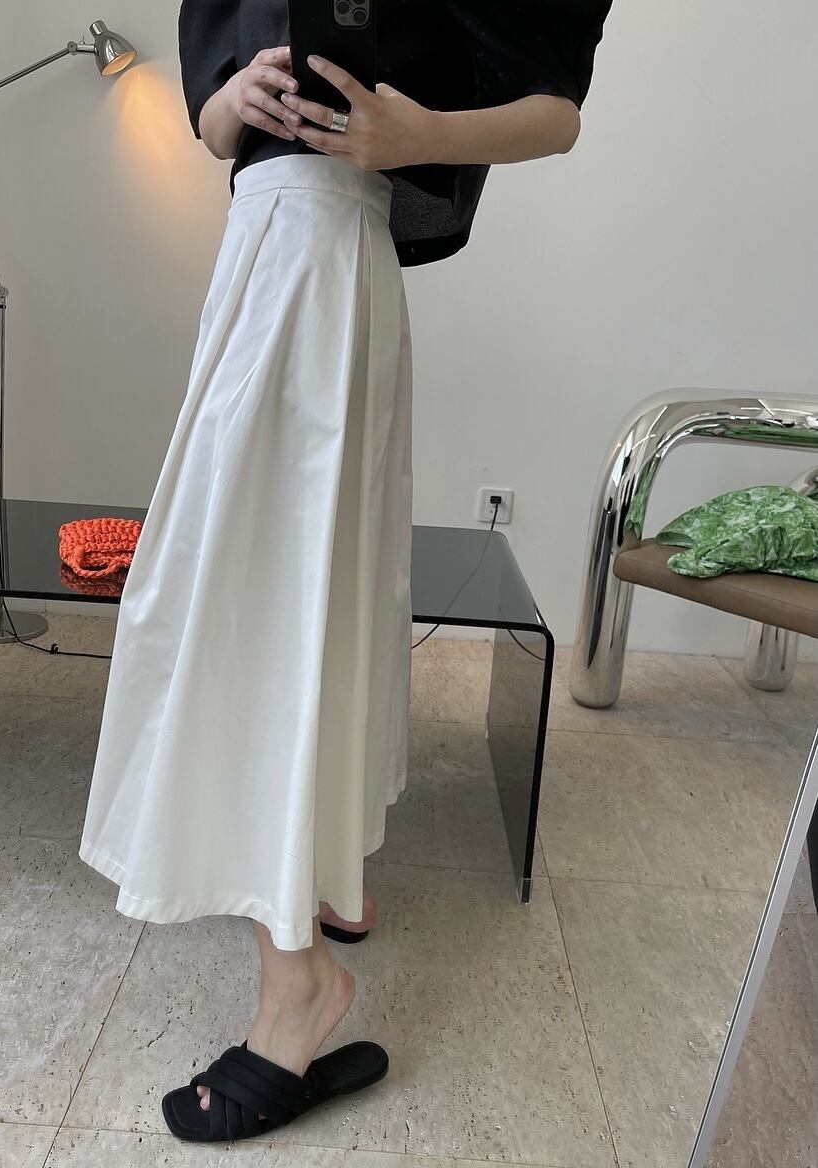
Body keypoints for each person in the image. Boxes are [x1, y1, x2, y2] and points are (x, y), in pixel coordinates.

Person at [79, 0, 613, 1143]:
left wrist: (413, 136)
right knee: (296, 589)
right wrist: (232, 102)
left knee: (255, 598)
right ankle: (327, 876)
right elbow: (212, 123)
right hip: (267, 246)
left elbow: (555, 112)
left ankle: (299, 987)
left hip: (324, 249)